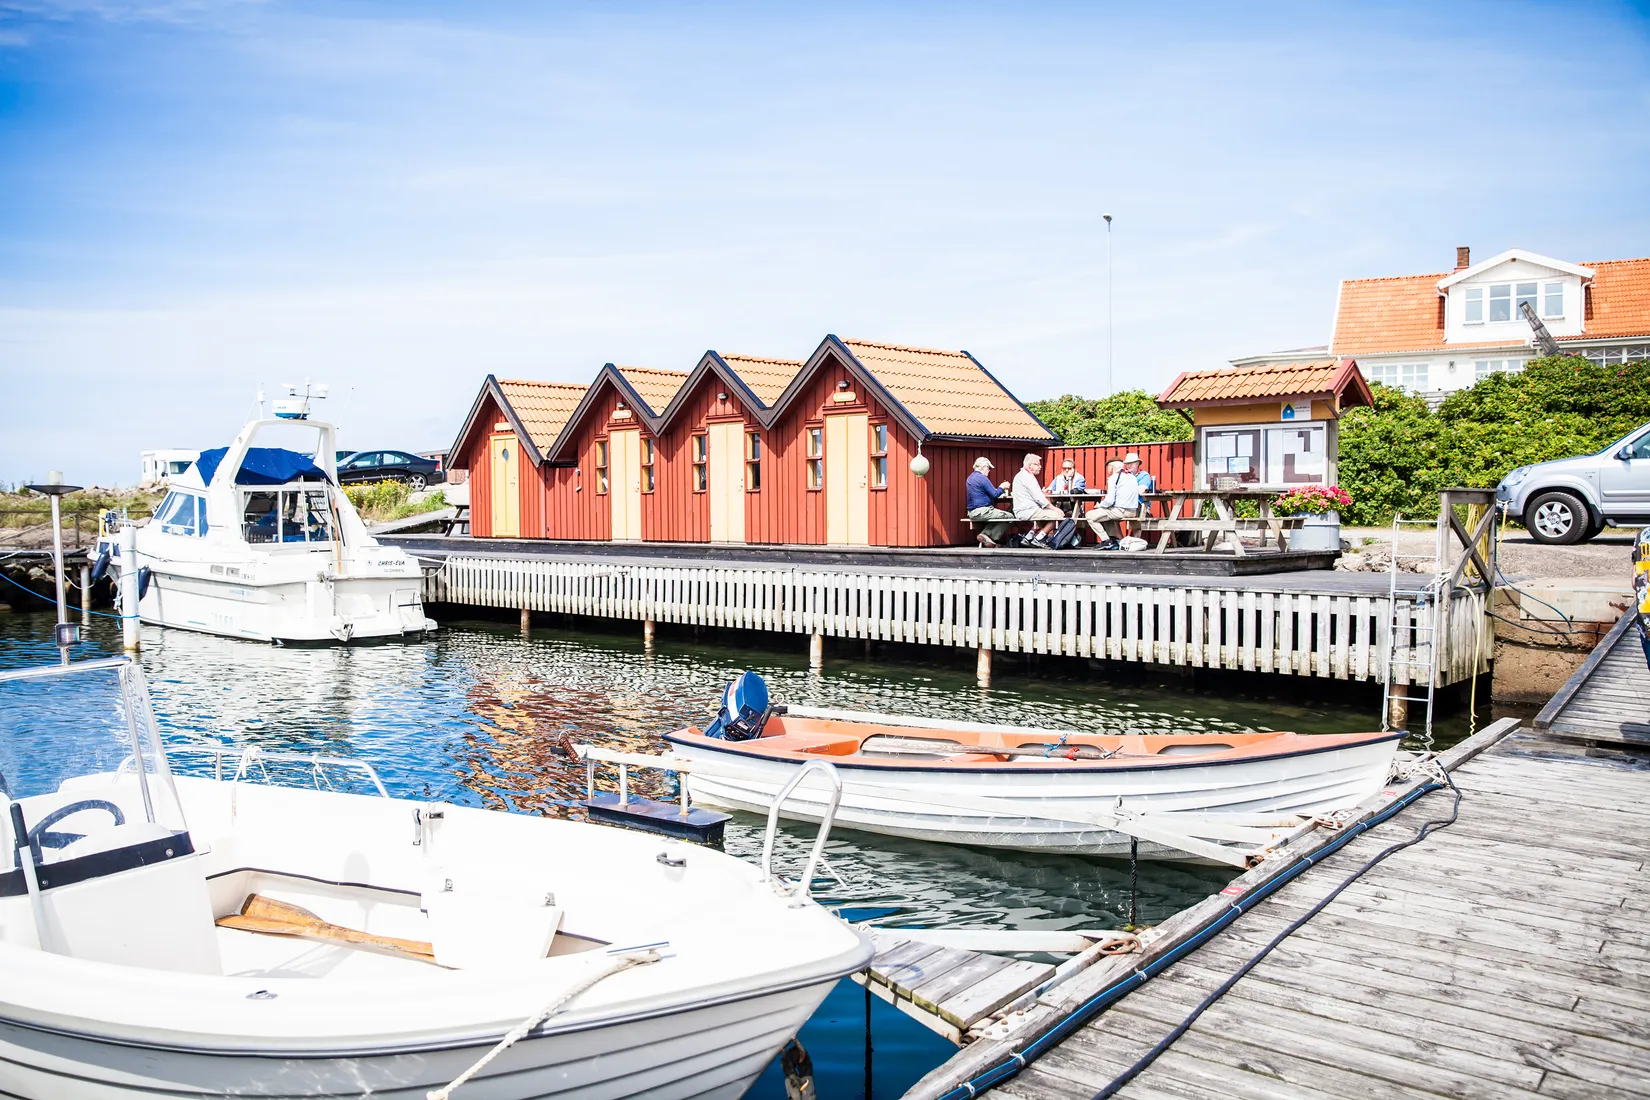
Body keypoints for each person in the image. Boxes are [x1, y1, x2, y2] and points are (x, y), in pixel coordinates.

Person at [1086, 452, 1155, 547]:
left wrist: (1100, 505)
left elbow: (1139, 491)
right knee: (1108, 514)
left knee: (1090, 515)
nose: (1129, 465)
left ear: (1138, 463)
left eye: (1132, 463)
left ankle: (1107, 541)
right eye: (1128, 463)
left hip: (1139, 506)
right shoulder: (1130, 476)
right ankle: (1119, 541)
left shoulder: (1142, 475)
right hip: (1130, 508)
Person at [1011, 453, 1064, 544]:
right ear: (1029, 465)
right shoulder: (1028, 477)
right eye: (1038, 464)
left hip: (1021, 510)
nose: (1040, 467)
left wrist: (1042, 493)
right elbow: (1040, 499)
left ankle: (1029, 537)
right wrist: (1055, 508)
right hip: (1028, 510)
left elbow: (1033, 494)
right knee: (1058, 515)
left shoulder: (1019, 475)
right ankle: (1039, 538)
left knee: (1044, 514)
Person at [965, 457, 1015, 547]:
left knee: (998, 517)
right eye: (989, 468)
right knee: (1010, 517)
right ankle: (989, 536)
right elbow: (995, 494)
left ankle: (984, 535)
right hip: (983, 511)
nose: (989, 471)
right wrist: (1002, 487)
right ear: (984, 467)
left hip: (972, 512)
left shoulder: (970, 478)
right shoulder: (982, 478)